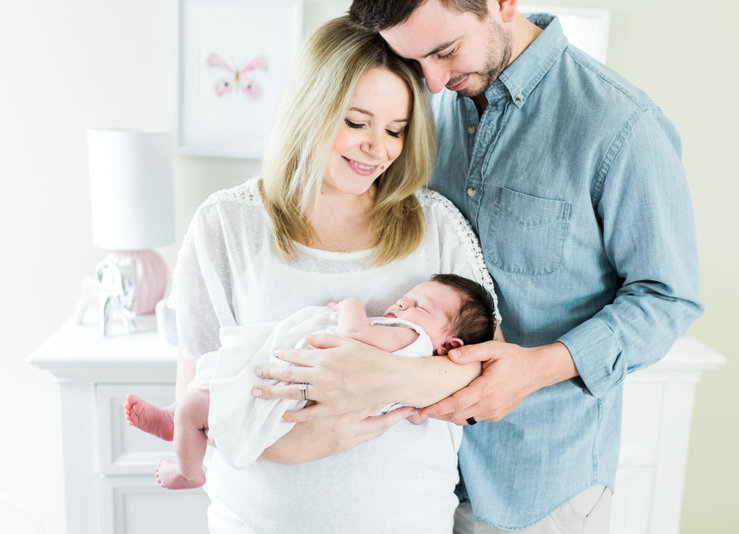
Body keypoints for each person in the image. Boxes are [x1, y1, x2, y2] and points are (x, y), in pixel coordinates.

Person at [256, 1, 704, 533]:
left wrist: (537, 367)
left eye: (445, 52)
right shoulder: (415, 104)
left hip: (537, 485)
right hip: (405, 479)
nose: (435, 82)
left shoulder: (620, 125)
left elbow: (667, 299)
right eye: (416, 60)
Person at [149, 15, 499, 534]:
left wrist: (381, 380)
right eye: (356, 123)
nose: (377, 148)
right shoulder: (227, 224)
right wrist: (295, 445)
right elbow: (200, 390)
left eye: (396, 130)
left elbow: (486, 377)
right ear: (311, 108)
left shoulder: (437, 226)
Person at [124, 274, 495, 488]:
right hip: (307, 389)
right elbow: (416, 409)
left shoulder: (410, 336)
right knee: (212, 378)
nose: (402, 305)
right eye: (406, 298)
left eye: (420, 306)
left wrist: (349, 303)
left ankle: (189, 471)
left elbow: (355, 330)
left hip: (298, 391)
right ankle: (177, 421)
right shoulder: (417, 360)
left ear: (450, 344)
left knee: (205, 398)